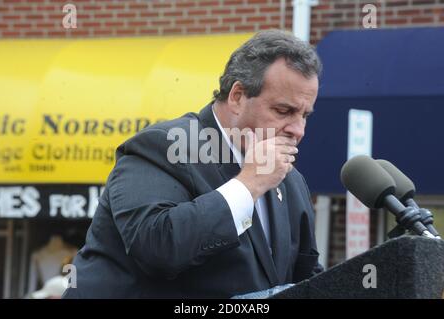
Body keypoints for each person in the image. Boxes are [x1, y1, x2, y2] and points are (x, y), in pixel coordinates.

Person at [63, 29, 323, 299]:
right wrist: (249, 185)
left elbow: (305, 277)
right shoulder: (163, 146)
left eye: (305, 115)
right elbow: (158, 248)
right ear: (237, 96)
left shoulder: (290, 181)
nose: (298, 129)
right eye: (283, 111)